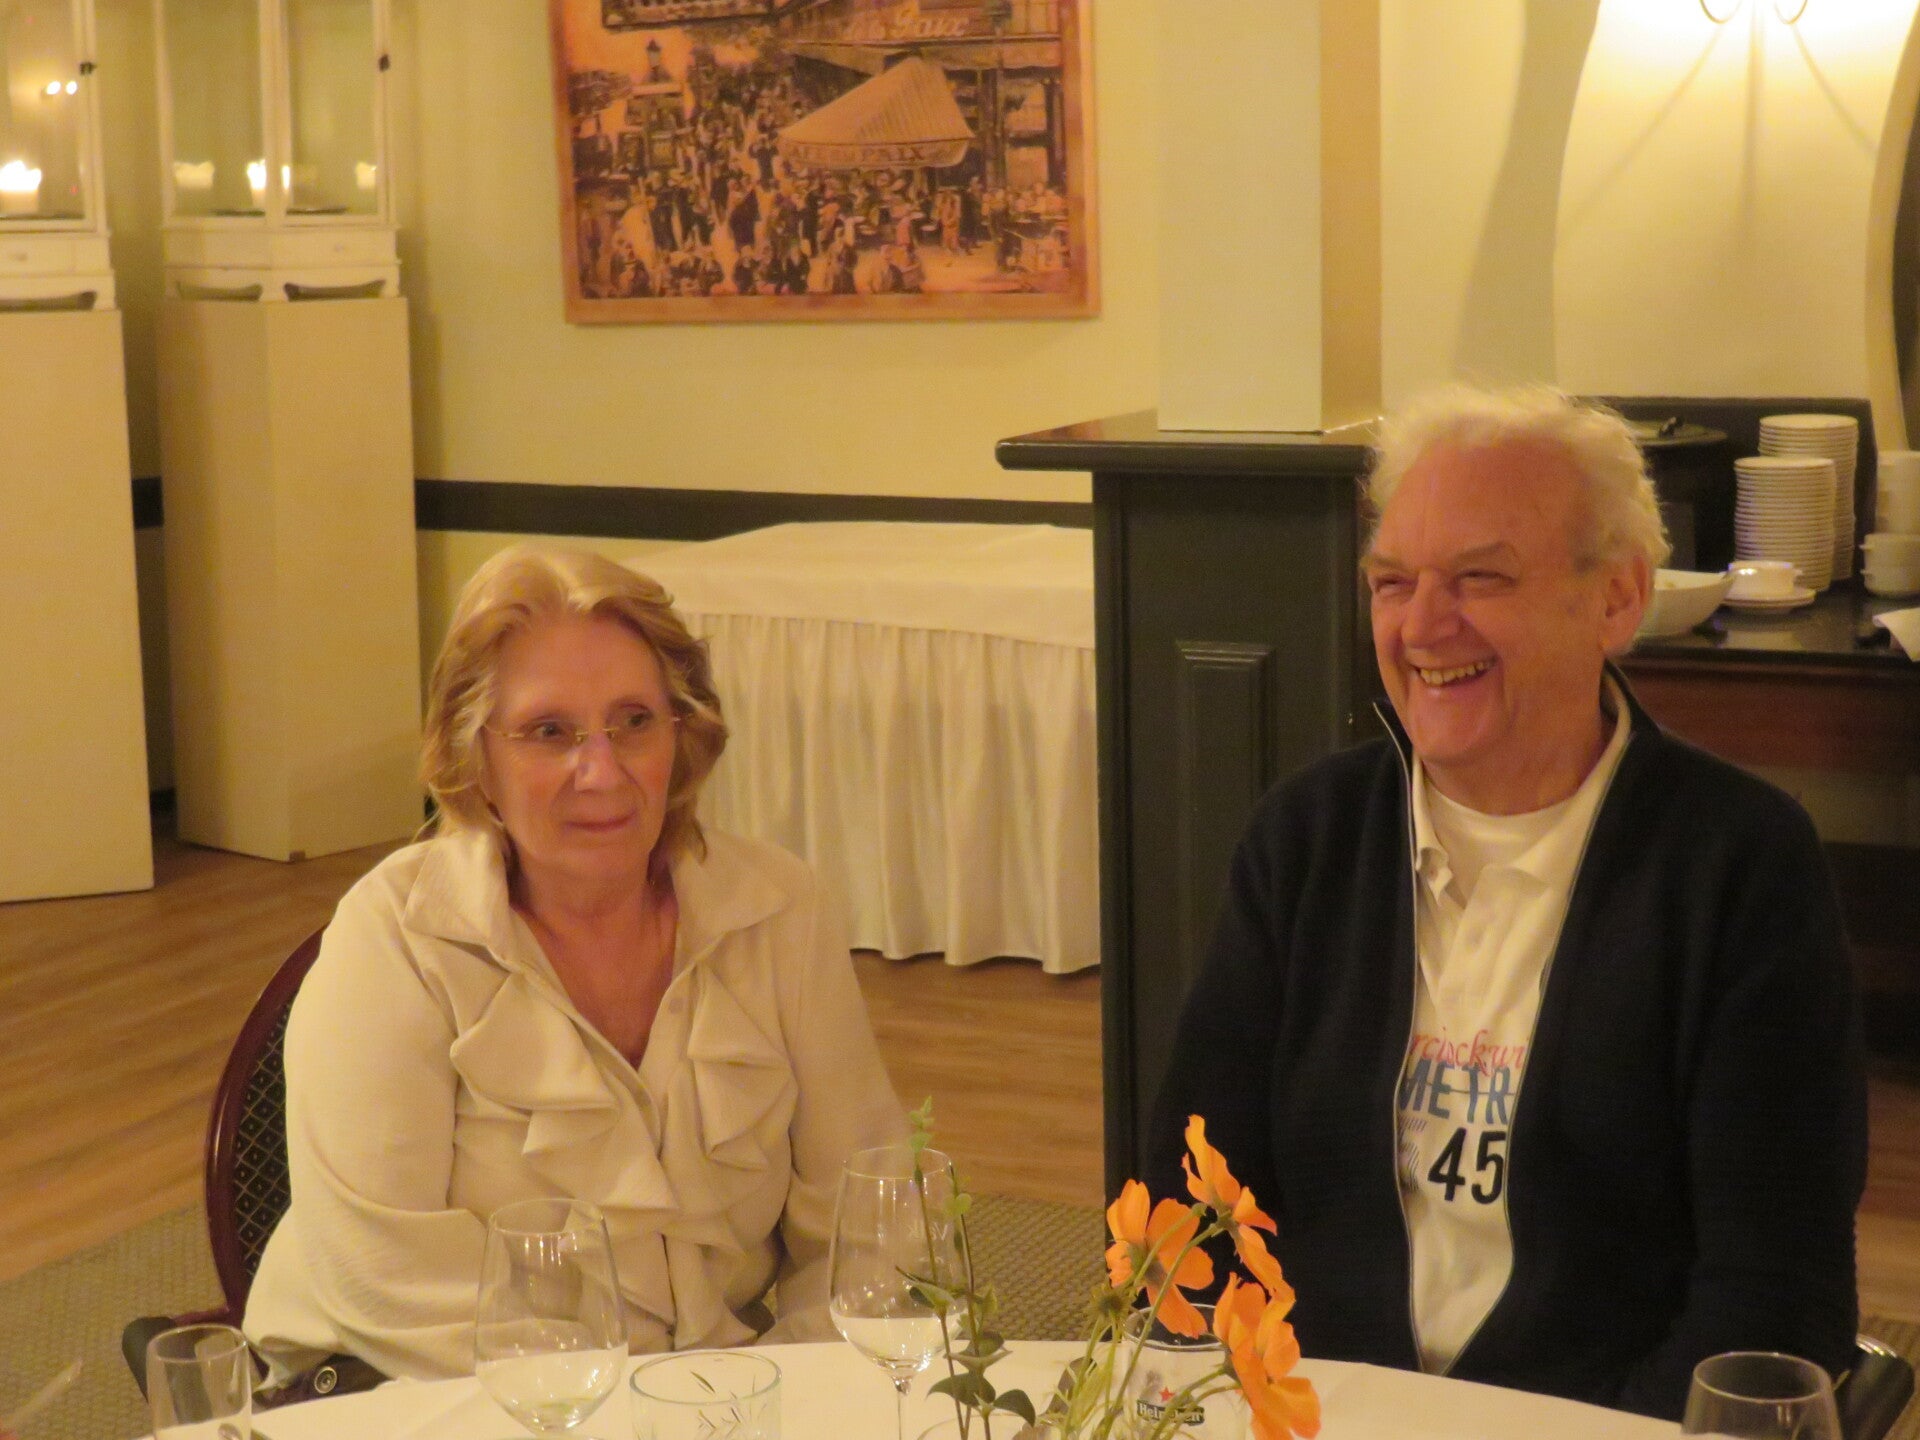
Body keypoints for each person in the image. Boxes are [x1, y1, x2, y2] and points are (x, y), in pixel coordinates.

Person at [1145, 385, 1867, 1421]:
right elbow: (1190, 1202)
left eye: (1480, 577)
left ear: (1616, 598)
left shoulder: (1738, 869)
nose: (1422, 624)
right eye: (1393, 582)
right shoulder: (1307, 842)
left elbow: (1772, 1301)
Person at [244, 545, 906, 1382]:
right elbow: (386, 1287)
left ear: (682, 734)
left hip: (698, 1403)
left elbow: (869, 1227)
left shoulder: (779, 912)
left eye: (634, 721)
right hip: (402, 1385)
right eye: (549, 732)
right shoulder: (393, 940)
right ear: (474, 757)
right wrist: (647, 1408)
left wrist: (797, 1392)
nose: (602, 771)